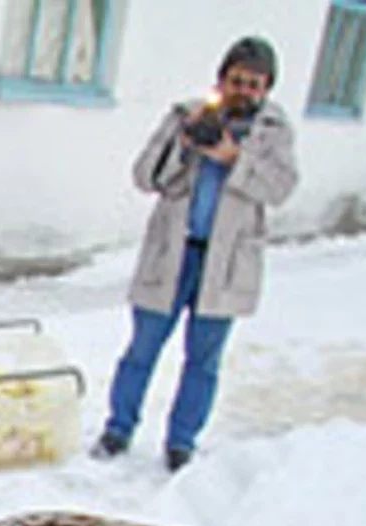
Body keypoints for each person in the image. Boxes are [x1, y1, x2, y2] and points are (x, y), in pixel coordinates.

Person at [93, 36, 298, 471]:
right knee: (141, 349)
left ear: (266, 89)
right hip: (173, 254)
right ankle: (118, 429)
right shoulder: (186, 115)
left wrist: (234, 158)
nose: (244, 91)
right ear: (221, 80)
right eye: (236, 81)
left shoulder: (274, 133)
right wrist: (185, 146)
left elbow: (280, 188)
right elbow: (145, 176)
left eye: (254, 84)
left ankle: (181, 441)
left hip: (225, 265)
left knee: (203, 361)